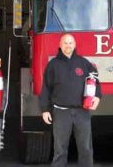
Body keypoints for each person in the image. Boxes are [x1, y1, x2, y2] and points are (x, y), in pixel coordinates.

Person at [39, 33, 102, 167]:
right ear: (60, 46)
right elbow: (45, 88)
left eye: (70, 43)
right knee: (60, 149)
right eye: (65, 43)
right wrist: (45, 110)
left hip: (82, 112)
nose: (68, 45)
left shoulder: (83, 63)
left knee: (85, 148)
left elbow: (94, 80)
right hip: (61, 113)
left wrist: (97, 96)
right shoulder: (53, 65)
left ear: (74, 45)